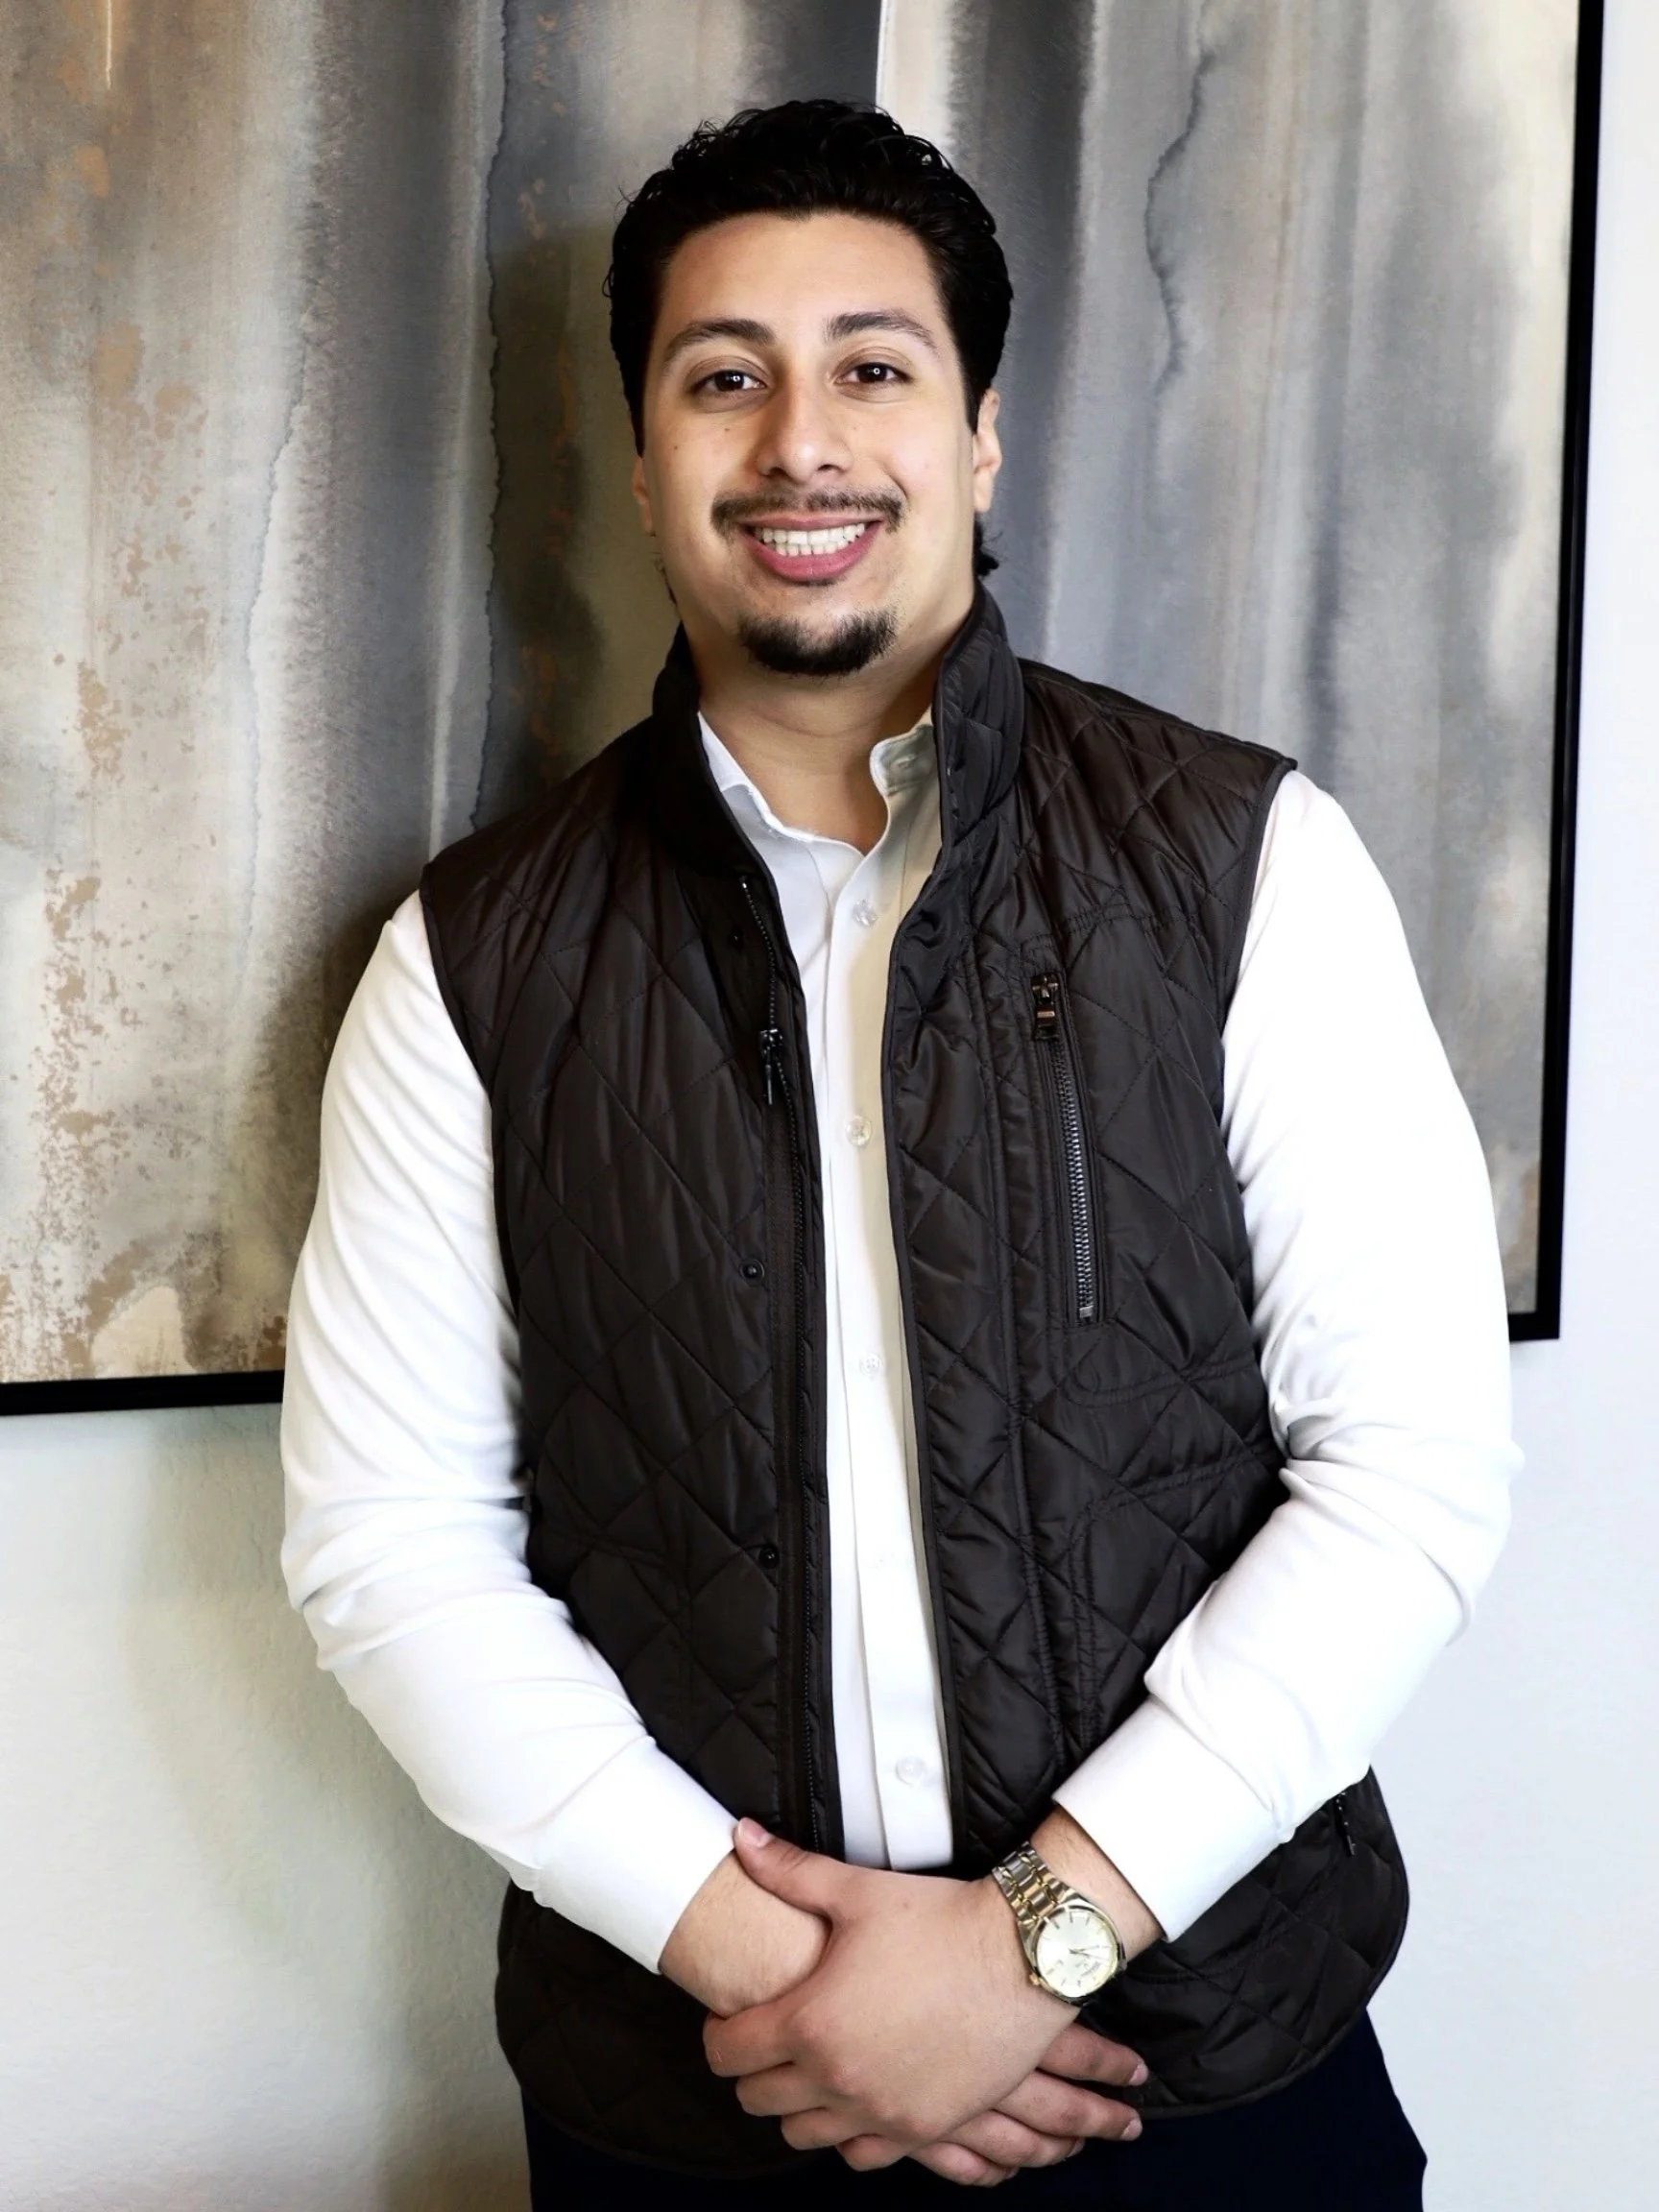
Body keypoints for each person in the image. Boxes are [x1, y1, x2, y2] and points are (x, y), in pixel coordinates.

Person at [280, 100, 1516, 2207]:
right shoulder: (472, 957)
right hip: (706, 2092)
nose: (802, 444)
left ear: (978, 437)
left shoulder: (1246, 865)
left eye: (872, 366)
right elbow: (391, 1548)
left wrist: (1037, 1943)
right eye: (723, 378)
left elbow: (1408, 1473)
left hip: (1200, 2081)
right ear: (645, 455)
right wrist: (806, 1989)